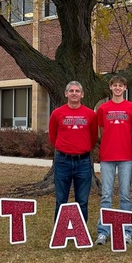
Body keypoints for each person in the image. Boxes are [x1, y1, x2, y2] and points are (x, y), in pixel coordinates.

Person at [95, 74, 132, 245]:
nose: (118, 88)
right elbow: (101, 131)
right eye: (115, 85)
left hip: (125, 157)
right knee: (106, 195)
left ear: (125, 88)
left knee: (125, 195)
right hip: (107, 157)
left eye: (121, 85)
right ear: (111, 87)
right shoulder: (103, 108)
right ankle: (103, 232)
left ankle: (126, 231)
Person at [48, 80, 98, 222]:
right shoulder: (57, 113)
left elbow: (93, 137)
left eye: (77, 91)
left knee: (82, 201)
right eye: (71, 91)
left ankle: (81, 231)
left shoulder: (90, 114)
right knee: (61, 200)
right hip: (63, 161)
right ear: (66, 94)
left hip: (83, 162)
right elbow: (53, 136)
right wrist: (64, 148)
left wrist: (82, 148)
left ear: (82, 94)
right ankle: (59, 231)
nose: (74, 93)